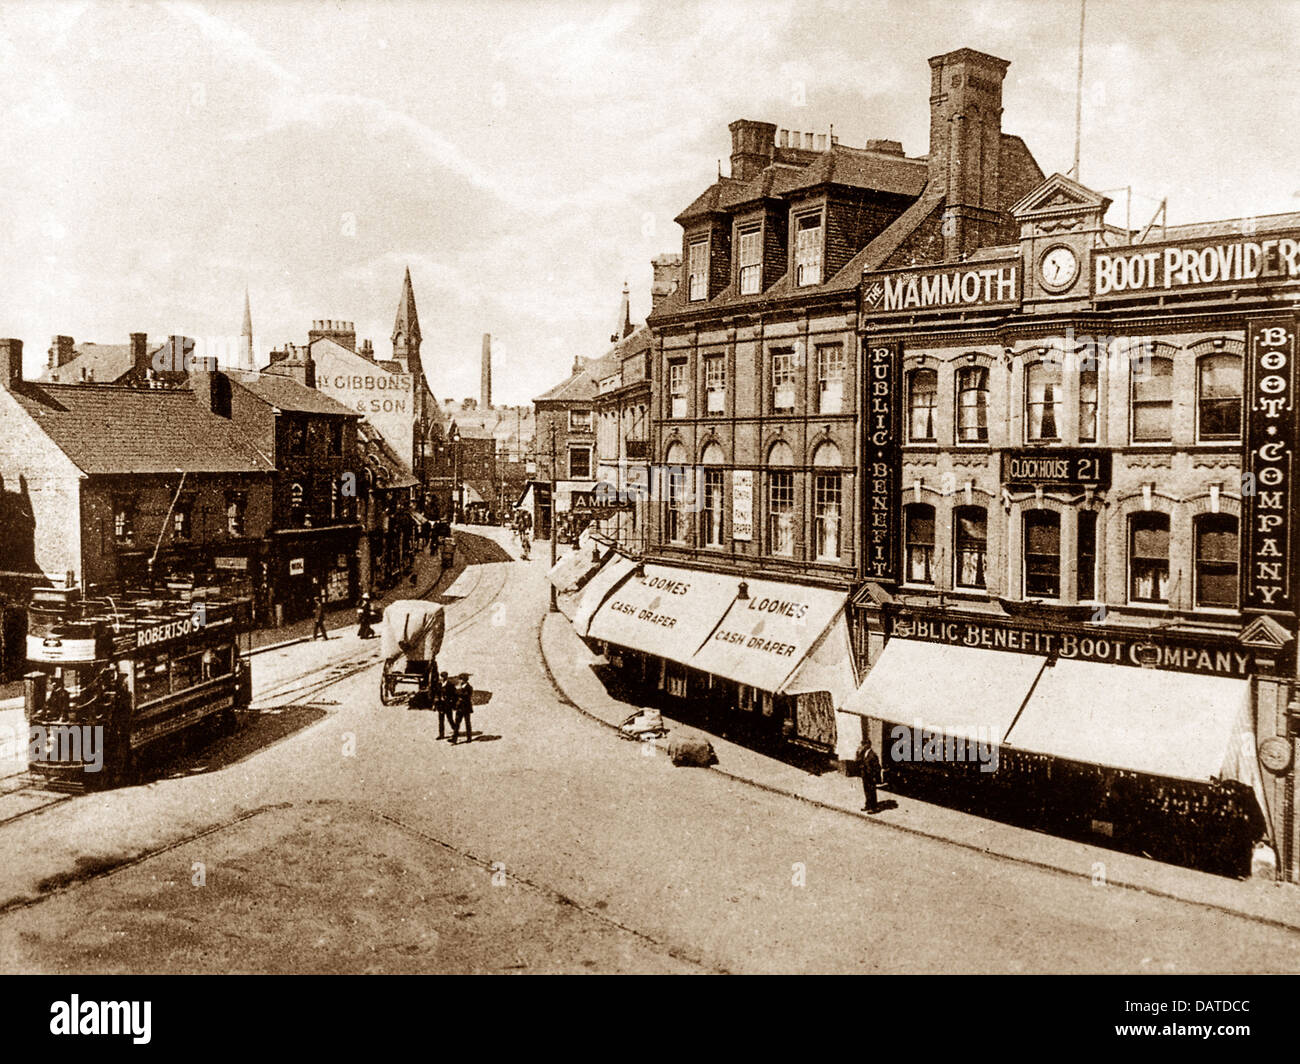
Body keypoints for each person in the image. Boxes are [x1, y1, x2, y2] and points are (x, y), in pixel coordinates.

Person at [856, 737, 882, 813]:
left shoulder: (873, 755)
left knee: (872, 792)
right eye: (862, 744)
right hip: (865, 775)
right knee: (866, 791)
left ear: (868, 745)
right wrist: (858, 753)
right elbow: (858, 761)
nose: (863, 746)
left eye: (864, 744)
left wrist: (874, 776)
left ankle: (874, 807)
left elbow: (877, 767)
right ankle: (868, 805)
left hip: (871, 776)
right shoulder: (863, 753)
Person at [451, 674, 474, 744]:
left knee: (467, 723)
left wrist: (458, 692)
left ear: (465, 680)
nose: (460, 681)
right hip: (460, 707)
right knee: (457, 723)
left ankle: (469, 738)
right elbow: (455, 694)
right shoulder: (460, 687)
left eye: (461, 679)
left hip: (466, 707)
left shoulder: (469, 687)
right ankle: (454, 739)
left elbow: (465, 696)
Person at [436, 670, 454, 740]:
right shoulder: (439, 685)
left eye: (444, 677)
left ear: (446, 677)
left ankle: (455, 731)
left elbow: (453, 695)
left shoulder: (450, 685)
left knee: (450, 719)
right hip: (441, 705)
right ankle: (441, 734)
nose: (443, 678)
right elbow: (437, 693)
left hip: (448, 705)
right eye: (442, 677)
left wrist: (450, 701)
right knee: (441, 720)